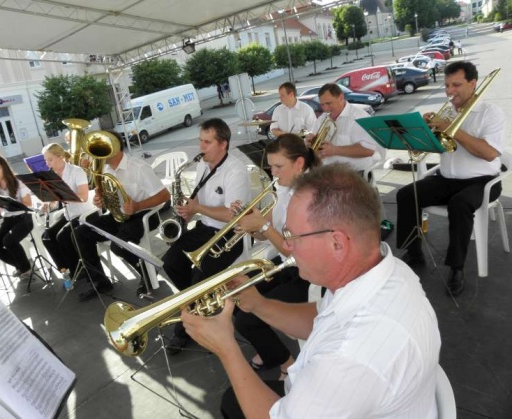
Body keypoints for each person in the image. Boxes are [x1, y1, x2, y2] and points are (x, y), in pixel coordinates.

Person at [182, 164, 441, 418]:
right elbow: (321, 317)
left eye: (292, 236)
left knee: (232, 402)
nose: (286, 245)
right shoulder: (386, 269)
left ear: (337, 243)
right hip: (342, 396)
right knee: (232, 401)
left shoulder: (350, 357)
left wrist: (226, 347)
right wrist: (258, 304)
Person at [396, 61, 505, 297]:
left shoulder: (490, 113)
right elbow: (440, 148)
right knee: (406, 194)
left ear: (473, 83)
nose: (449, 91)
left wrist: (452, 128)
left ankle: (456, 268)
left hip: (483, 180)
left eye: (456, 85)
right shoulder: (446, 112)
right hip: (446, 178)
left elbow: (489, 153)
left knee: (460, 204)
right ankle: (413, 251)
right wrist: (426, 132)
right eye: (446, 85)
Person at [233, 134, 321, 380]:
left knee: (247, 320)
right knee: (235, 294)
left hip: (307, 274)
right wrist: (251, 223)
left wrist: (261, 226)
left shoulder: (308, 195)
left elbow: (293, 251)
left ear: (299, 164)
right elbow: (267, 234)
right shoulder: (283, 188)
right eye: (270, 166)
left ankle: (286, 364)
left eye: (278, 166)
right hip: (285, 264)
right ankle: (269, 350)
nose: (272, 172)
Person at [162, 118, 250, 353]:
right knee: (170, 263)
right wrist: (188, 210)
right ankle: (200, 305)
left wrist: (198, 209)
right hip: (204, 229)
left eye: (207, 142)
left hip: (230, 235)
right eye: (201, 141)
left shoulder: (236, 171)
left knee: (198, 278)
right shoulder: (203, 164)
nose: (201, 147)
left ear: (223, 144)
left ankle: (186, 327)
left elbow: (234, 216)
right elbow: (198, 198)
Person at [72, 131, 170, 302]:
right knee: (80, 233)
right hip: (118, 215)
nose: (98, 153)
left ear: (115, 147)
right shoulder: (104, 168)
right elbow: (106, 195)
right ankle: (100, 281)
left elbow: (164, 196)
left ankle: (147, 273)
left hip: (143, 215)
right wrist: (100, 199)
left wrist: (138, 205)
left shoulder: (138, 167)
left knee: (118, 246)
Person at [40, 143, 94, 279]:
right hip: (69, 213)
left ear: (60, 157)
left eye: (50, 159)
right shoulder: (52, 176)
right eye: (45, 160)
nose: (47, 163)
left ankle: (79, 269)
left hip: (83, 213)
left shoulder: (76, 171)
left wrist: (62, 196)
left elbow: (83, 196)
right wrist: (48, 203)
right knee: (46, 237)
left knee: (62, 236)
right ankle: (65, 269)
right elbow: (54, 201)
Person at [305, 83, 378, 173]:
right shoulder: (322, 119)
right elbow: (317, 152)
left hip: (356, 175)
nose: (326, 109)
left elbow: (369, 150)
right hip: (330, 174)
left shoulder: (360, 117)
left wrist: (335, 150)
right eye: (322, 104)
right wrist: (312, 143)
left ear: (341, 97)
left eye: (328, 103)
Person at [0, 154, 34, 279]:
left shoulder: (17, 181)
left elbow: (28, 203)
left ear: (4, 168)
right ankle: (21, 265)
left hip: (23, 217)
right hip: (8, 219)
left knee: (9, 241)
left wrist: (9, 203)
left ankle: (25, 268)